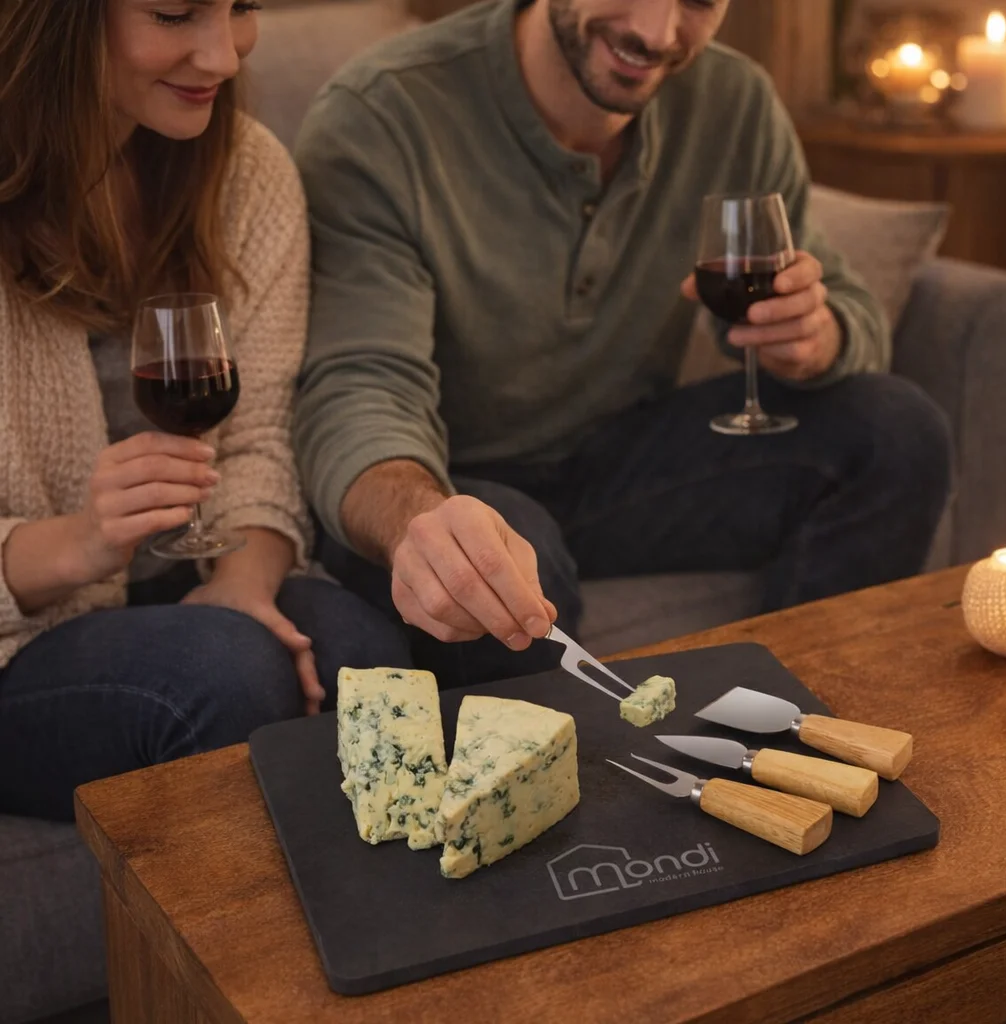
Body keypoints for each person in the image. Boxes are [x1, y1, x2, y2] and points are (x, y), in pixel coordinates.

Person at [293, 0, 953, 688]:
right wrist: (420, 519)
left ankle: (797, 731)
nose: (657, 32)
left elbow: (846, 304)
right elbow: (357, 388)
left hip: (619, 459)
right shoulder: (381, 114)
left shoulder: (733, 101)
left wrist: (819, 336)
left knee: (896, 430)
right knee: (512, 563)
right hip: (450, 475)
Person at [0, 0, 412, 822]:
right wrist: (79, 543)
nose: (223, 56)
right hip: (20, 636)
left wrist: (242, 581)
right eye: (176, 13)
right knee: (224, 675)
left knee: (366, 659)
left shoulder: (246, 170)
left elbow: (260, 435)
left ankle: (402, 942)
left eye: (243, 7)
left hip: (177, 585)